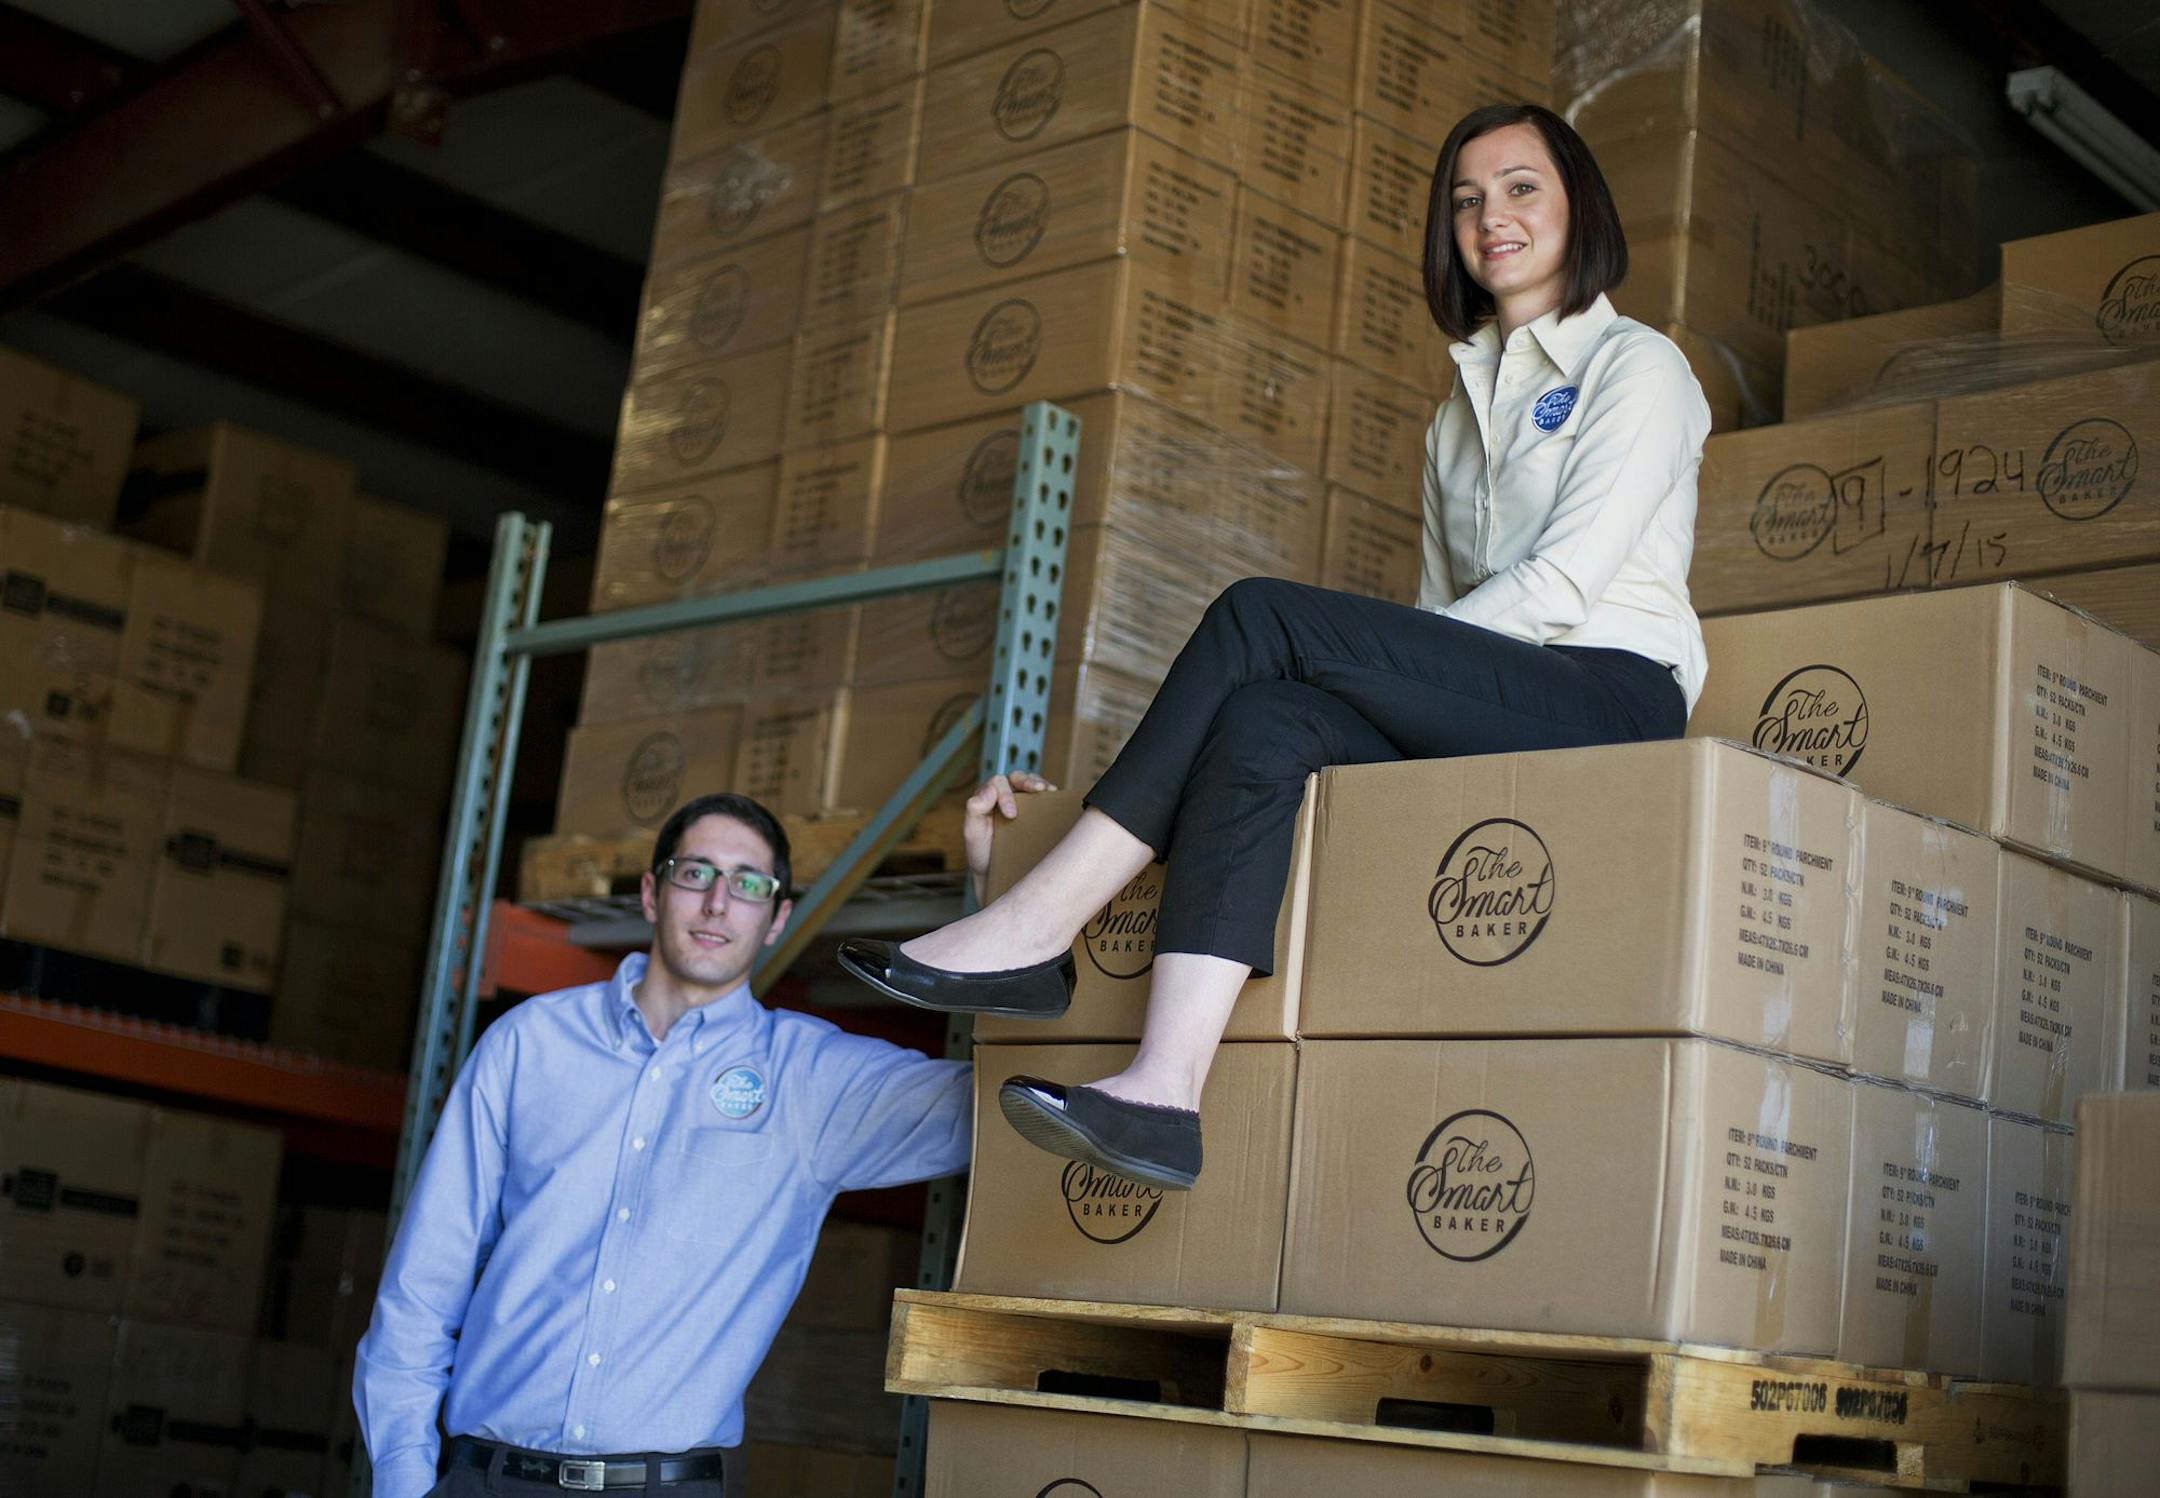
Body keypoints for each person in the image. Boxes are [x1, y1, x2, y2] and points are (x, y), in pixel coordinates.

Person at [836, 102, 1710, 1191]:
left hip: (1608, 701)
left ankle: (1038, 923)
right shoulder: (1452, 419)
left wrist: (1356, 648)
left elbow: (1560, 585)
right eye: (1468, 198)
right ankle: (1162, 1093)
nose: (1493, 216)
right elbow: (1434, 614)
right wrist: (1371, 662)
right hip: (1493, 697)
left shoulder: (1641, 366)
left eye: (1522, 187)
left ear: (1579, 203)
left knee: (1263, 618)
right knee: (1264, 718)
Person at [354, 776, 1045, 1497]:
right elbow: (422, 1286)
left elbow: (1011, 1104)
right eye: (697, 874)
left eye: (749, 884)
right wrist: (402, 1479)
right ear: (653, 894)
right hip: (487, 1479)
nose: (719, 903)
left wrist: (1000, 886)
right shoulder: (529, 1045)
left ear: (776, 918)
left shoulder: (811, 1084)